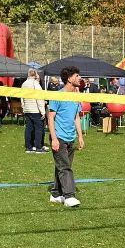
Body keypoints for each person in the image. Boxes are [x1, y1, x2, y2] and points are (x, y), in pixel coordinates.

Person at [48, 66, 84, 208]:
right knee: (65, 167)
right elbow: (50, 118)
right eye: (77, 75)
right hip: (59, 137)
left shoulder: (76, 96)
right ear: (69, 79)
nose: (79, 78)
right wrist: (54, 138)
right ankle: (69, 196)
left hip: (71, 137)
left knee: (62, 166)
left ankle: (56, 194)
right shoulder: (58, 95)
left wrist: (80, 136)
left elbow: (76, 117)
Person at [22, 69, 47, 153]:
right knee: (39, 129)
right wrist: (42, 111)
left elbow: (21, 97)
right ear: (35, 75)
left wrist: (24, 107)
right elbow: (39, 98)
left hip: (27, 109)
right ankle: (38, 147)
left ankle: (28, 147)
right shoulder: (35, 84)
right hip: (35, 109)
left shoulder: (24, 84)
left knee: (29, 128)